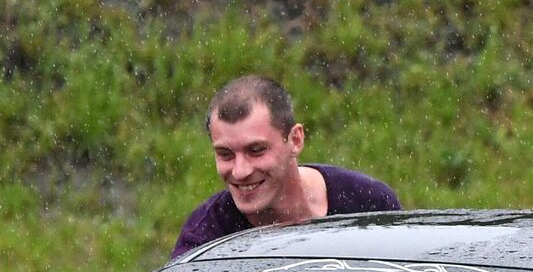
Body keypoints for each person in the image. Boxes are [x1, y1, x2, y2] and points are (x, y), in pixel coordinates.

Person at [171, 75, 400, 258]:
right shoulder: (204, 242)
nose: (240, 171)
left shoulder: (369, 205)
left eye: (256, 151)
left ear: (295, 140)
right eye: (225, 154)